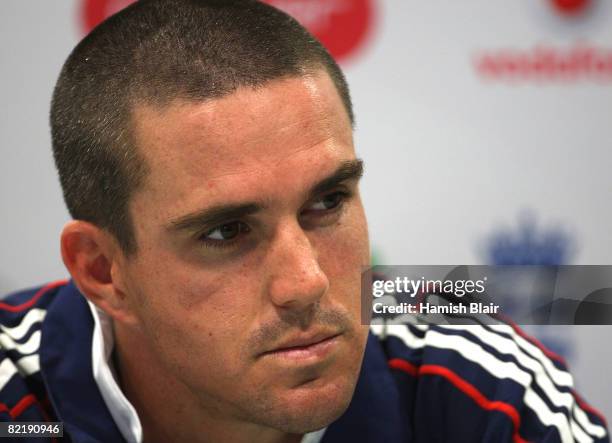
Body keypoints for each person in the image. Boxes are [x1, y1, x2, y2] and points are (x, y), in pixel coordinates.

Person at [0, 1, 608, 442]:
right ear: (104, 271)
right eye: (226, 232)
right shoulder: (14, 398)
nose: (307, 283)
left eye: (327, 203)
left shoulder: (473, 380)